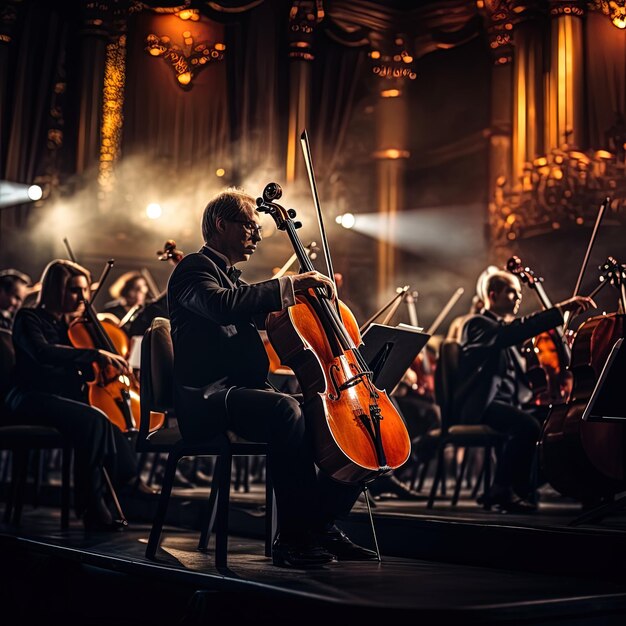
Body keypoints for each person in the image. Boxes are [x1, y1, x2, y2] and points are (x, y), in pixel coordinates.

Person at [168, 188, 377, 567]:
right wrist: (289, 285)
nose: (259, 236)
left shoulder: (232, 279)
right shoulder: (193, 269)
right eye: (250, 225)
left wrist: (312, 303)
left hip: (241, 392)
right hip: (208, 397)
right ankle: (295, 537)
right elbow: (220, 307)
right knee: (285, 410)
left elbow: (255, 307)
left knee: (333, 416)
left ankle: (322, 524)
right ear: (221, 225)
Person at [5, 260, 139, 530]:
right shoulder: (28, 318)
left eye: (86, 291)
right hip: (29, 397)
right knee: (92, 420)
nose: (83, 298)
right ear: (56, 290)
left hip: (61, 400)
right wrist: (96, 353)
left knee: (107, 421)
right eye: (75, 291)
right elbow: (42, 352)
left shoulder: (73, 327)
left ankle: (124, 479)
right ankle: (92, 507)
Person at [453, 268, 595, 513]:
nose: (518, 298)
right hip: (481, 406)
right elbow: (512, 332)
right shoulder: (476, 324)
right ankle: (502, 488)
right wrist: (560, 310)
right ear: (493, 294)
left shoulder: (504, 331)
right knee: (526, 426)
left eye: (519, 293)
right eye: (511, 292)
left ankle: (532, 486)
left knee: (554, 425)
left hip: (509, 404)